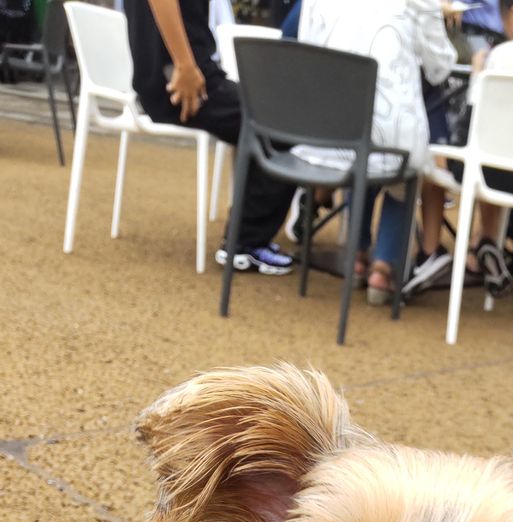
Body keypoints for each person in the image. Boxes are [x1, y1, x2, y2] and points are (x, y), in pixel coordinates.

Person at [404, 0, 513, 300]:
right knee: (498, 154)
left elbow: (473, 124)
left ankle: (430, 252)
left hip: (488, 170)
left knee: (436, 150)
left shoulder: (501, 56)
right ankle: (485, 241)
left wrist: (477, 74)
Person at [297, 0, 456, 305]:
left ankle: (356, 253)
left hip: (326, 133)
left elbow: (307, 47)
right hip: (388, 138)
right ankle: (384, 267)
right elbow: (440, 68)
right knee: (404, 151)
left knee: (366, 138)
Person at [123, 0, 295, 273]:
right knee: (282, 123)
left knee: (272, 116)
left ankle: (247, 237)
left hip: (182, 76)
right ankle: (246, 244)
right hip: (183, 82)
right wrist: (184, 65)